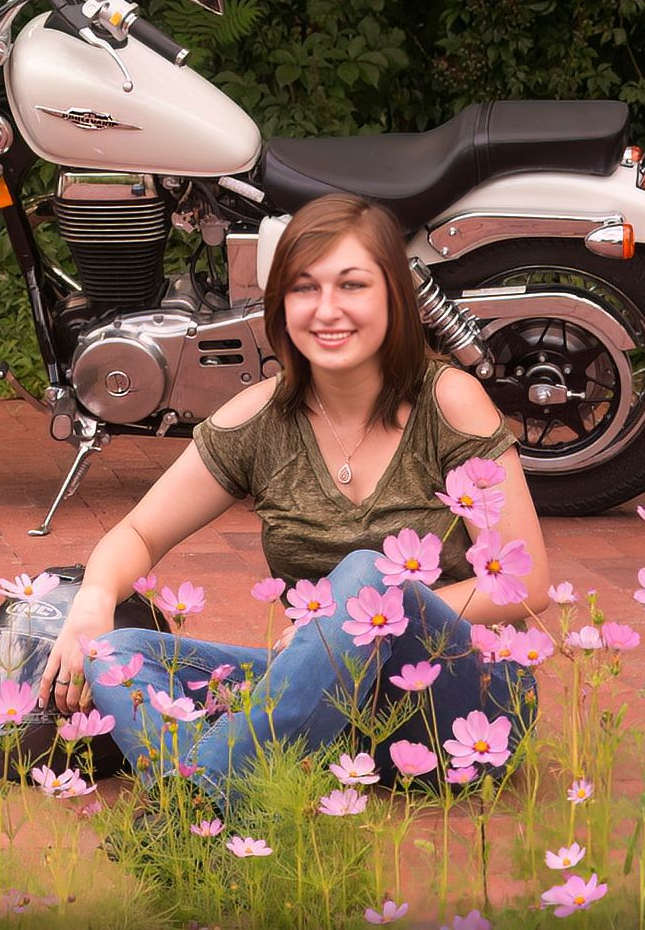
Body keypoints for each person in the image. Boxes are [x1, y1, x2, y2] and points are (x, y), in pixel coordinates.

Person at [38, 193, 549, 811]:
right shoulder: (260, 418)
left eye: (352, 285)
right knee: (117, 652)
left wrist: (348, 618)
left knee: (365, 579)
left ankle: (202, 800)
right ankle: (223, 787)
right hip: (322, 711)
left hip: (466, 714)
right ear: (279, 306)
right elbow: (138, 536)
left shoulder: (450, 402)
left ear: (393, 296)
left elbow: (525, 582)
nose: (327, 310)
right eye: (305, 288)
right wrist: (93, 603)